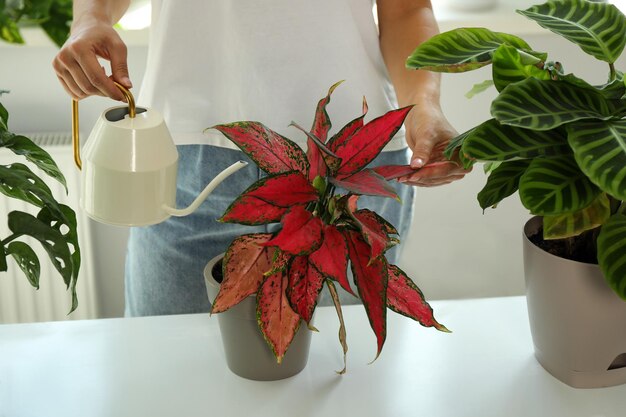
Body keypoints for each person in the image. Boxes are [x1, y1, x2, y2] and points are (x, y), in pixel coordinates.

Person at [53, 0, 469, 316]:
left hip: (347, 170)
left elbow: (406, 9)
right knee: (170, 377)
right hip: (186, 172)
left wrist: (424, 104)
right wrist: (91, 17)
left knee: (341, 385)